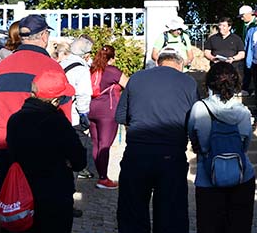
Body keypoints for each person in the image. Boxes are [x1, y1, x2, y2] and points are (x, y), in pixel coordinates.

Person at [115, 47, 199, 233]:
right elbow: (195, 120)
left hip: (137, 153)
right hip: (171, 155)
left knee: (132, 214)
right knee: (171, 216)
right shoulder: (188, 83)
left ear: (158, 61)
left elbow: (121, 116)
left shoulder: (136, 78)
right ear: (181, 63)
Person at [0, 15, 72, 202]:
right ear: (44, 35)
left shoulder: (3, 66)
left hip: (6, 147)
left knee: (7, 205)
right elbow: (64, 114)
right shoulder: (53, 68)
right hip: (42, 150)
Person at [7, 69, 85, 232]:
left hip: (22, 195)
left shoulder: (15, 119)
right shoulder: (58, 123)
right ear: (55, 100)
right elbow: (79, 160)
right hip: (54, 198)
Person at [188, 62, 255, 233]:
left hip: (208, 177)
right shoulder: (243, 111)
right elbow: (245, 145)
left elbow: (196, 140)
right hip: (242, 176)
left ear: (209, 82)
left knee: (209, 226)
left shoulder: (199, 108)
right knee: (240, 226)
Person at [89, 45, 128, 189]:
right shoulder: (113, 71)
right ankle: (103, 179)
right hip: (108, 111)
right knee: (105, 145)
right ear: (111, 58)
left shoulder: (92, 70)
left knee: (96, 144)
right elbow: (129, 85)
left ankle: (101, 175)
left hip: (91, 109)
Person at [61, 36, 97, 180]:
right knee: (75, 157)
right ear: (86, 54)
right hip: (74, 118)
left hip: (59, 115)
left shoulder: (61, 64)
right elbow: (83, 96)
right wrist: (84, 117)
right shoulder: (81, 70)